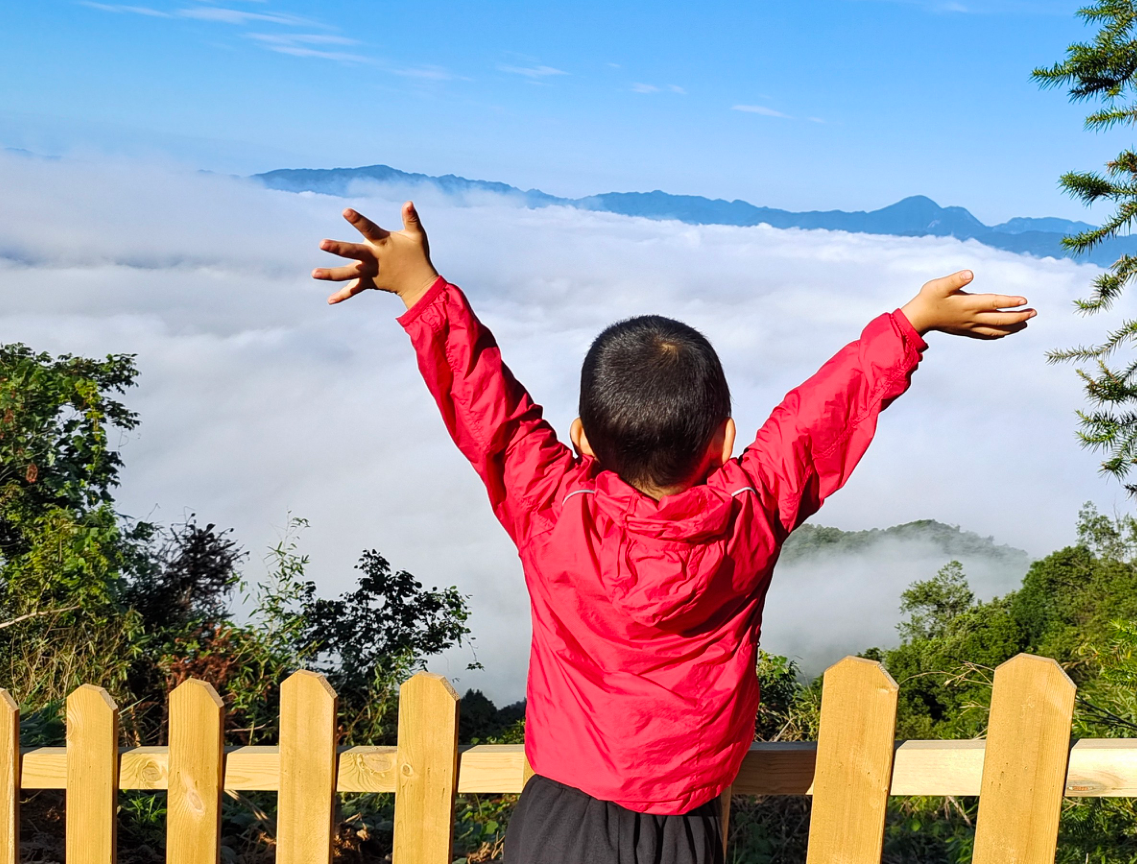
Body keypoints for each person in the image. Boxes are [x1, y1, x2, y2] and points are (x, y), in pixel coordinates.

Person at [313, 202, 1036, 864]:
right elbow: (814, 426)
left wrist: (422, 292)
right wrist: (908, 325)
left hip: (560, 822)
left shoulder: (552, 508)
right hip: (688, 828)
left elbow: (490, 415)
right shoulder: (750, 510)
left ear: (581, 441)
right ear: (724, 441)